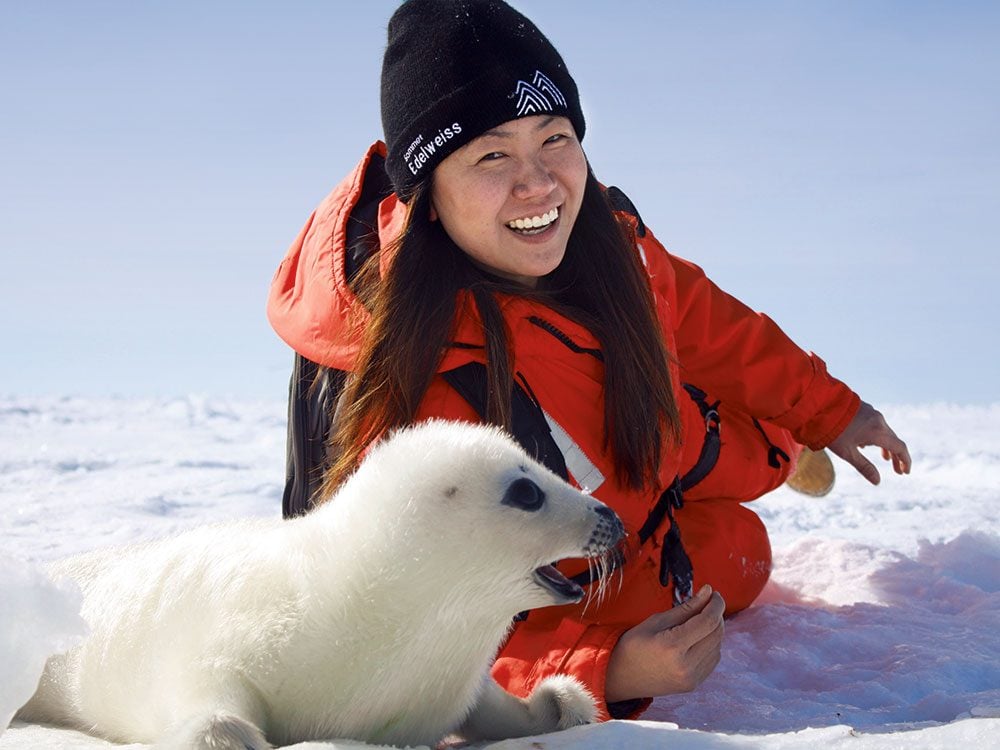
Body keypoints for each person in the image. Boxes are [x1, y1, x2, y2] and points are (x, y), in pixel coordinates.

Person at [267, 0, 911, 721]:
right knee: (742, 555)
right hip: (601, 537)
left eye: (556, 138)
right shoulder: (411, 397)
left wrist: (834, 411)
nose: (538, 183)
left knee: (758, 441)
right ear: (430, 199)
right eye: (490, 154)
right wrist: (606, 667)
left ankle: (784, 452)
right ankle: (757, 459)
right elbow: (397, 643)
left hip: (656, 431)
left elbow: (707, 321)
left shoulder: (611, 240)